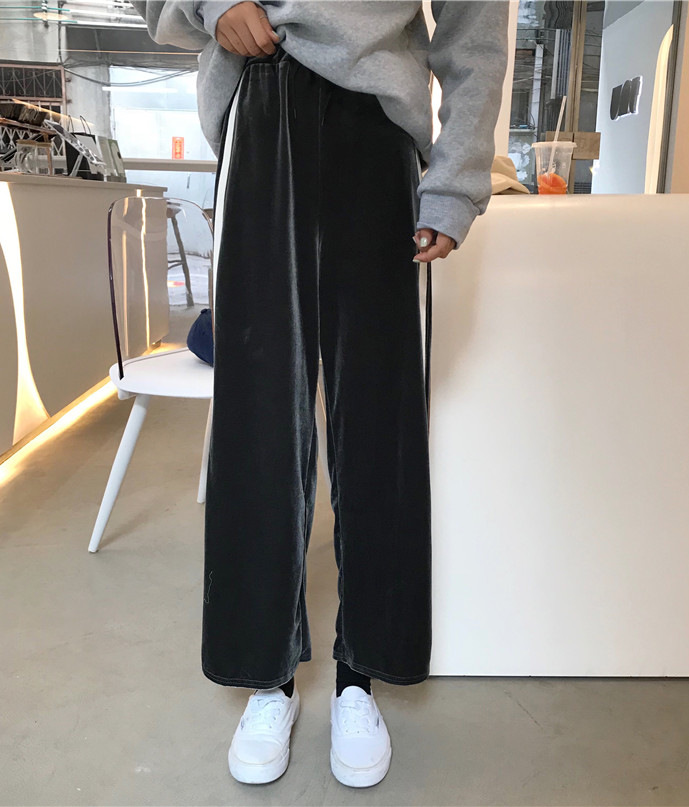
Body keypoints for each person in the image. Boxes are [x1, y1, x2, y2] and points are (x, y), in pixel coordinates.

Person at [131, 0, 509, 789]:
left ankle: (359, 676)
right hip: (257, 101)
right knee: (257, 419)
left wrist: (455, 183)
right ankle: (266, 678)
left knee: (380, 420)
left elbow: (475, 29)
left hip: (378, 122)